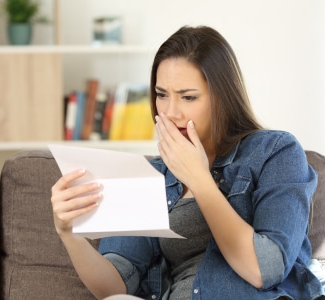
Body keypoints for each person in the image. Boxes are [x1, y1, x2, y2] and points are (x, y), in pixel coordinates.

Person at [51, 26, 325, 299]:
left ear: (222, 98)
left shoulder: (274, 152)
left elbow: (264, 270)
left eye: (188, 97)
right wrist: (69, 235)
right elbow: (116, 285)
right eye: (161, 95)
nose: (170, 112)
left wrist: (199, 179)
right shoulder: (152, 176)